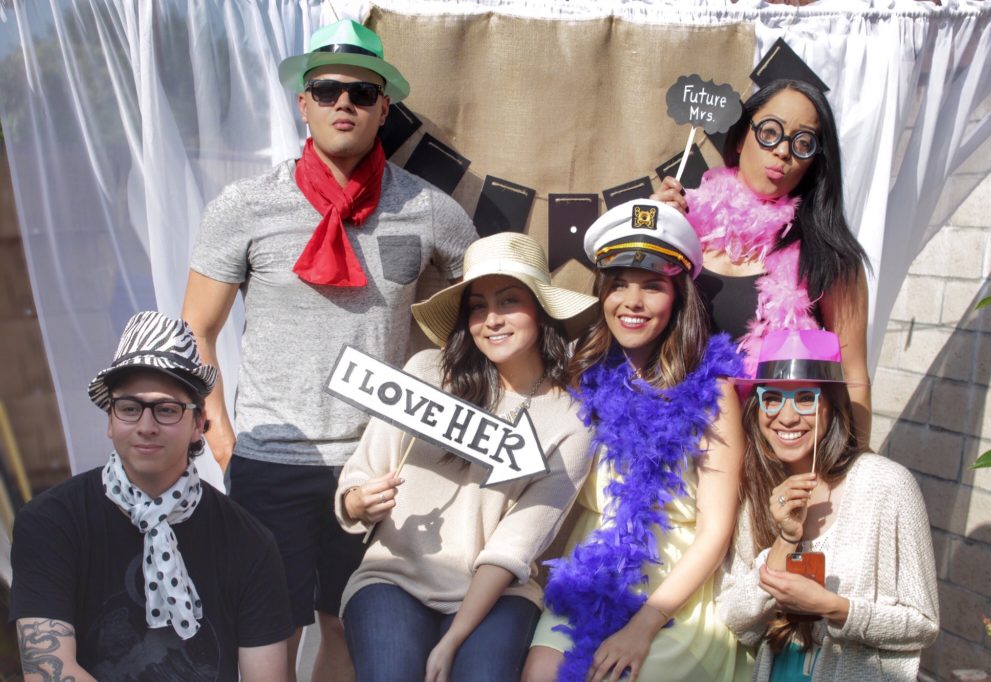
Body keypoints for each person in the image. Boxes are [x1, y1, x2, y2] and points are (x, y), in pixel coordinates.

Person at [182, 19, 477, 680]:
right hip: (268, 460)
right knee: (267, 641)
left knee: (349, 627)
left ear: (383, 110)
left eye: (361, 92)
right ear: (303, 103)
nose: (344, 102)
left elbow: (490, 308)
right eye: (327, 88)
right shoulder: (245, 207)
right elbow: (196, 330)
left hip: (375, 463)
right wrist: (225, 444)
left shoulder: (428, 211)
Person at [335, 232, 597, 682]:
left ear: (541, 309)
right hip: (392, 575)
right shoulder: (424, 373)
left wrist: (453, 639)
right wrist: (357, 503)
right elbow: (358, 476)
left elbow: (514, 548)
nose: (492, 319)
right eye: (478, 306)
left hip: (498, 593)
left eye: (509, 301)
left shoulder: (572, 420)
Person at [524, 200, 751, 682]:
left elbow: (716, 528)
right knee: (540, 675)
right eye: (619, 285)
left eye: (652, 286)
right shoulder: (582, 373)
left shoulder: (713, 390)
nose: (632, 301)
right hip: (591, 571)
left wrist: (645, 625)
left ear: (678, 298)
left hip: (675, 589)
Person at [9, 311, 292, 681]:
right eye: (129, 408)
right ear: (110, 420)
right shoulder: (50, 522)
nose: (146, 426)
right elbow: (47, 672)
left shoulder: (249, 541)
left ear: (198, 424)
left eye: (166, 409)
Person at [652, 79, 872, 447]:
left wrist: (848, 479)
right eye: (770, 132)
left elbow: (853, 378)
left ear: (815, 161)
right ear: (741, 139)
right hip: (669, 448)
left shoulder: (832, 260)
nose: (783, 151)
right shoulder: (681, 225)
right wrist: (651, 231)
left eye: (803, 143)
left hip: (768, 459)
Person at [716, 329, 939, 681]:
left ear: (832, 404)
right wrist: (785, 540)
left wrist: (834, 608)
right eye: (772, 398)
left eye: (805, 398)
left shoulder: (888, 485)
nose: (786, 417)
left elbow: (923, 624)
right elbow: (734, 617)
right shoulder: (758, 488)